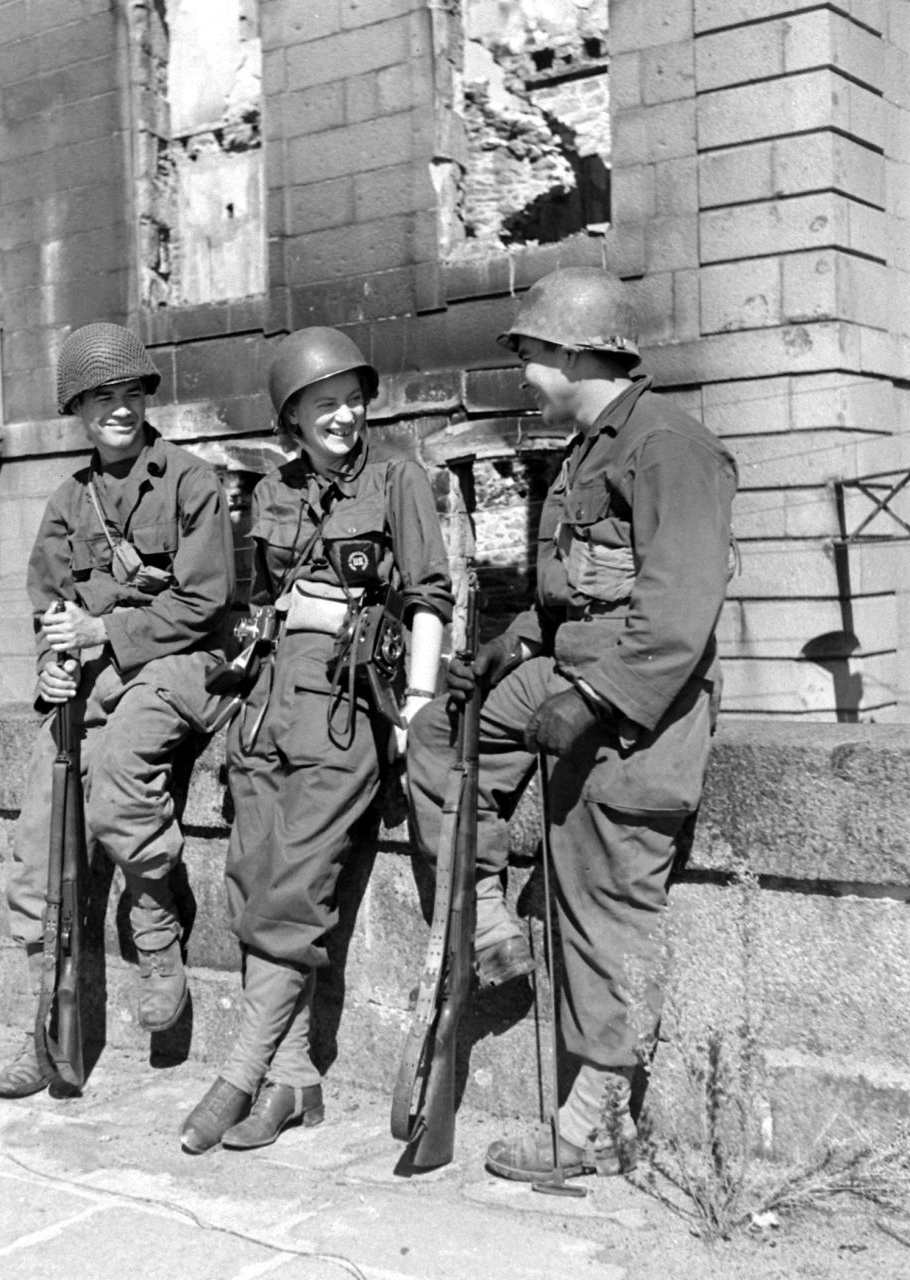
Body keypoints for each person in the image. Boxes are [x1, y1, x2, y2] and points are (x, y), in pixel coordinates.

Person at [406, 267, 738, 1181]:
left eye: (532, 356)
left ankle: (596, 1123)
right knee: (442, 733)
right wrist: (502, 652)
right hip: (569, 675)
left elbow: (676, 617)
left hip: (640, 711)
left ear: (576, 352)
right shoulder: (589, 451)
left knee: (605, 900)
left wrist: (589, 703)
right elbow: (564, 605)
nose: (524, 375)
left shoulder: (670, 448)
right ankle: (485, 924)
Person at [180, 326, 453, 1153]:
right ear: (290, 419)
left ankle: (240, 1070)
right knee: (253, 879)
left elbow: (429, 596)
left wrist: (416, 703)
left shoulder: (400, 478)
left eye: (351, 399)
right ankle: (295, 1082)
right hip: (267, 705)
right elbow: (259, 600)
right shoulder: (272, 491)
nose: (343, 416)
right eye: (322, 404)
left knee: (296, 886)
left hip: (344, 702)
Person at [0, 322, 236, 1098]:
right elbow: (48, 605)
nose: (120, 409)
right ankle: (45, 1021)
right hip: (93, 678)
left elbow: (205, 602)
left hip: (178, 665)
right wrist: (53, 668)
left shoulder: (192, 482)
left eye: (132, 394)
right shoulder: (69, 502)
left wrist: (107, 630)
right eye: (102, 397)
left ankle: (159, 937)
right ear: (78, 409)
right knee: (40, 834)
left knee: (125, 778)